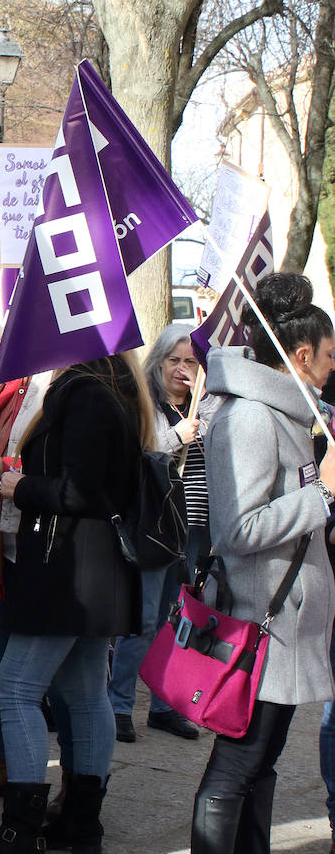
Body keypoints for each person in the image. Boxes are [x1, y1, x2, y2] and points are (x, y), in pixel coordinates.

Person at [0, 353, 152, 854]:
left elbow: (81, 490)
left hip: (71, 569)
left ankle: (21, 831)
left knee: (16, 686)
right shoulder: (108, 389)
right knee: (86, 694)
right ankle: (81, 827)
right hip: (90, 569)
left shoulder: (86, 393)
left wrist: (18, 484)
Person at [192, 271, 335, 853]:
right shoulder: (250, 417)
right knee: (236, 767)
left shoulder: (288, 414)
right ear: (300, 356)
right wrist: (321, 494)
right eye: (328, 356)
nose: (332, 368)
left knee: (260, 764)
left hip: (286, 625)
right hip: (261, 622)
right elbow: (237, 529)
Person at [108, 324, 213, 743]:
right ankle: (118, 704)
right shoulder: (146, 405)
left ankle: (165, 706)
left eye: (190, 361)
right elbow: (134, 457)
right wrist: (176, 436)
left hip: (196, 527)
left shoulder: (206, 408)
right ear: (159, 362)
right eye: (175, 360)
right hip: (154, 529)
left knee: (178, 618)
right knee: (144, 618)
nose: (182, 369)